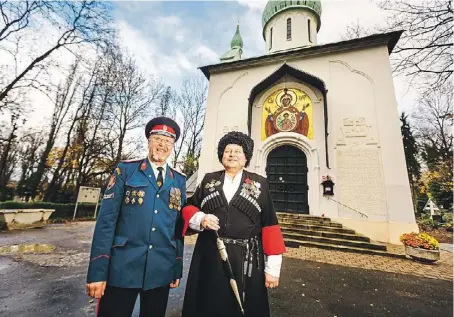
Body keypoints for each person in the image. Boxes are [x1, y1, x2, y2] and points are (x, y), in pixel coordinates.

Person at [86, 117, 186, 317]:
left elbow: (178, 228)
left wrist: (176, 266)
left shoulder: (179, 180)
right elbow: (106, 222)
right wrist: (97, 272)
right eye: (157, 138)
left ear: (173, 146)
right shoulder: (126, 170)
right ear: (149, 141)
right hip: (122, 268)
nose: (162, 145)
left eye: (168, 141)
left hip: (161, 270)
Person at [180, 131, 286, 317]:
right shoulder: (208, 180)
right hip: (210, 254)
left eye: (238, 151)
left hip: (247, 258)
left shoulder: (259, 183)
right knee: (208, 304)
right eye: (228, 150)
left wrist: (273, 269)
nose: (232, 155)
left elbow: (270, 225)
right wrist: (201, 218)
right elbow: (189, 209)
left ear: (246, 157)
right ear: (222, 155)